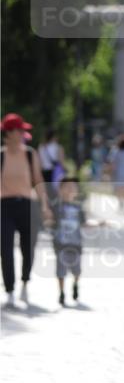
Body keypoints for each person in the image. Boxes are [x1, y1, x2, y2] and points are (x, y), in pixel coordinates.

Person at [1, 113, 50, 307]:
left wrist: (45, 206)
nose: (23, 133)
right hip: (4, 206)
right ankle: (10, 291)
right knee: (5, 249)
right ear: (10, 132)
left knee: (28, 248)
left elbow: (38, 181)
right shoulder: (1, 155)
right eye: (20, 130)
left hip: (27, 206)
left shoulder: (30, 153)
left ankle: (25, 284)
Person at [50, 177, 92, 306]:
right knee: (60, 271)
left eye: (73, 187)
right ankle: (62, 293)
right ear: (61, 189)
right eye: (67, 187)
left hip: (76, 244)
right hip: (61, 244)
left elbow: (85, 224)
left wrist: (99, 224)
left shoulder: (79, 208)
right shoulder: (55, 206)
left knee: (77, 270)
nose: (70, 190)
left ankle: (75, 284)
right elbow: (50, 222)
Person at [106, 136, 124, 214]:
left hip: (119, 173)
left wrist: (109, 173)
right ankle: (123, 204)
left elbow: (112, 164)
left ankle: (120, 203)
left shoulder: (115, 152)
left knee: (118, 190)